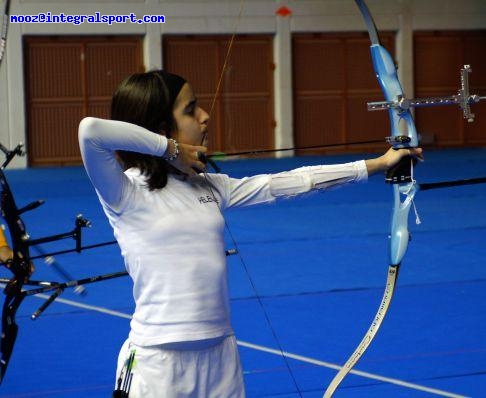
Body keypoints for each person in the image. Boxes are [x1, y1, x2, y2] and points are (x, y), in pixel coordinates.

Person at [78, 70, 422, 398]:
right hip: (158, 361)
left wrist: (376, 165)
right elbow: (90, 130)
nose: (205, 115)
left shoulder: (209, 185)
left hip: (220, 354)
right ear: (160, 127)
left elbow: (289, 183)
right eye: (190, 109)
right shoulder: (124, 191)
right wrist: (171, 149)